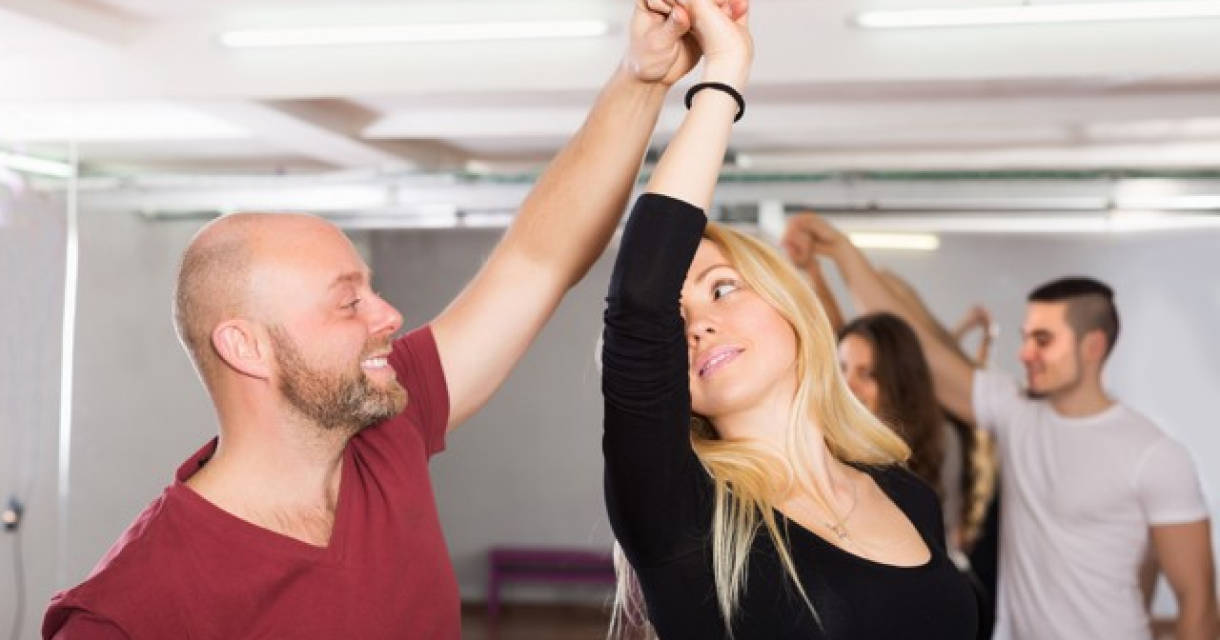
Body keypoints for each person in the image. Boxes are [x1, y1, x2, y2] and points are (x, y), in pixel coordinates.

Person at [40, 3, 716, 638]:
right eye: (347, 301)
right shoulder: (127, 614)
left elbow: (537, 260)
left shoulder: (387, 428)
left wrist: (638, 80)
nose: (388, 315)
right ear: (246, 345)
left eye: (373, 290)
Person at [599, 1, 979, 637]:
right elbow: (638, 300)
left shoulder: (905, 495)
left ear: (792, 309)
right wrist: (724, 71)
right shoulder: (681, 508)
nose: (697, 324)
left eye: (722, 289)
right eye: (678, 314)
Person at [794, 212, 1219, 640]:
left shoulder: (1155, 455)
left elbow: (1198, 603)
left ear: (1093, 346)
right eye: (1025, 336)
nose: (1025, 353)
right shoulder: (1016, 412)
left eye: (1043, 340)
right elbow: (913, 341)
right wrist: (843, 254)